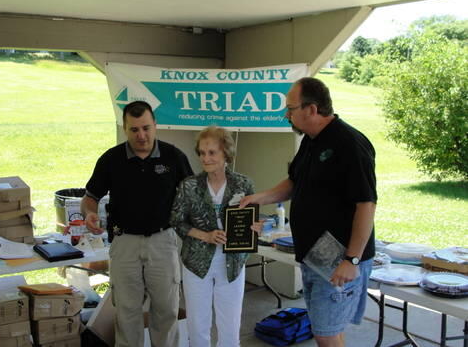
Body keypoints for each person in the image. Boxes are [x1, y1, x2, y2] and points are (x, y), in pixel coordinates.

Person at [240, 77, 377, 347]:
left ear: (312, 109)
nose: (286, 115)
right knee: (327, 328)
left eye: (291, 109)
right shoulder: (311, 140)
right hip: (314, 254)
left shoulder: (350, 144)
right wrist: (260, 197)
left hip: (339, 257)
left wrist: (352, 260)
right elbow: (294, 182)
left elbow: (366, 204)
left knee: (326, 334)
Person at [81, 100, 193, 347]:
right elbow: (90, 197)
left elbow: (193, 197)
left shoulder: (174, 157)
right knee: (127, 313)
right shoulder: (111, 159)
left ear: (155, 125)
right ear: (125, 129)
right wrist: (90, 214)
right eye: (134, 130)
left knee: (166, 312)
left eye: (146, 128)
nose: (141, 135)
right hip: (125, 244)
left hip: (163, 243)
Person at [170, 126, 262, 347]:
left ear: (226, 153)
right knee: (198, 325)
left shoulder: (244, 184)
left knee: (230, 327)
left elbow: (251, 218)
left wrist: (255, 227)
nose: (205, 158)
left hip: (232, 263)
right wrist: (205, 235)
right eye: (202, 153)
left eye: (212, 152)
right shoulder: (189, 185)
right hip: (196, 264)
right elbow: (176, 221)